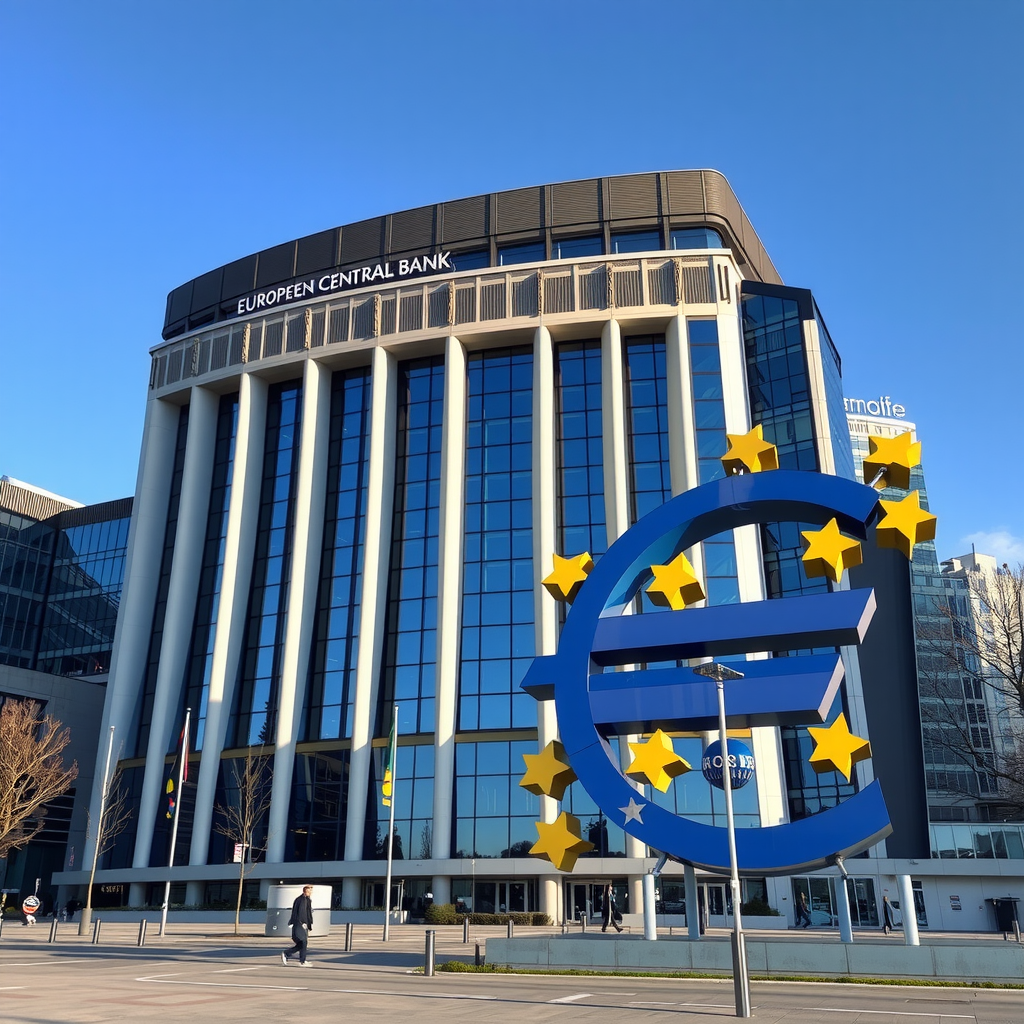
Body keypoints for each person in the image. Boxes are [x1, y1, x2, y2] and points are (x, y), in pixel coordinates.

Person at [281, 885, 314, 966]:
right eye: (310, 891)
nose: (311, 892)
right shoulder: (302, 900)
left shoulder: (306, 899)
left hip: (301, 923)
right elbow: (301, 912)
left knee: (303, 943)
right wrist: (303, 923)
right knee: (303, 942)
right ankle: (289, 954)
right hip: (300, 924)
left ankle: (299, 958)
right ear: (305, 891)